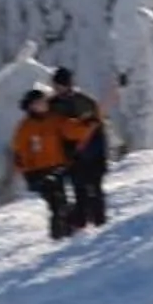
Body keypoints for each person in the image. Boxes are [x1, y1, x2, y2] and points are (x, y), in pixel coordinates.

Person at [10, 88, 77, 240]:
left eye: (44, 102)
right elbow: (19, 152)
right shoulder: (25, 127)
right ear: (31, 106)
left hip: (57, 167)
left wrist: (85, 125)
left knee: (62, 200)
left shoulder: (54, 119)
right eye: (38, 103)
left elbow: (70, 130)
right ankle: (59, 236)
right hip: (38, 171)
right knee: (56, 202)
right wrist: (26, 172)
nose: (43, 105)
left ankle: (67, 232)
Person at [49, 65, 109, 231]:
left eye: (60, 84)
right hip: (71, 158)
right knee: (79, 190)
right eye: (55, 85)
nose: (57, 88)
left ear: (68, 84)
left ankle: (100, 223)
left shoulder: (85, 102)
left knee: (95, 190)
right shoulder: (52, 106)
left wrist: (100, 157)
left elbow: (98, 131)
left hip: (91, 155)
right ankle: (81, 226)